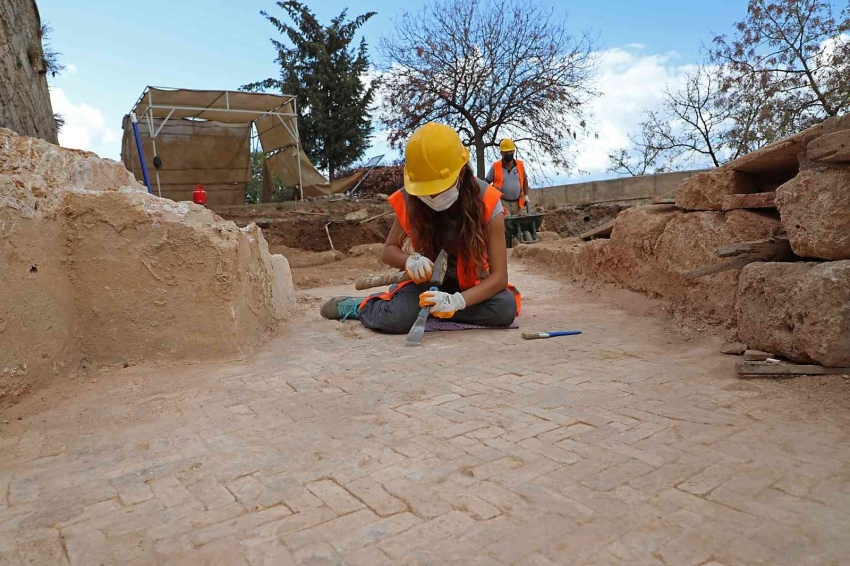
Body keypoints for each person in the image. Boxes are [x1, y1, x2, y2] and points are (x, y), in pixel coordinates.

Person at [320, 122, 521, 333]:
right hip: (424, 285)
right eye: (427, 189)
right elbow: (388, 250)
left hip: (469, 285)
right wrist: (410, 260)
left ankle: (428, 311)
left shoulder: (487, 202)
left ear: (460, 174)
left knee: (504, 308)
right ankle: (362, 307)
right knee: (397, 320)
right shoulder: (412, 198)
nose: (432, 196)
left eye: (438, 187)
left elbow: (499, 278)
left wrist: (457, 301)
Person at [485, 138, 530, 216]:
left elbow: (525, 179)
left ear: (513, 151)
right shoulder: (495, 166)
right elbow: (486, 182)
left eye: (510, 151)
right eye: (505, 152)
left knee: (519, 223)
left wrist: (526, 195)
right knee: (507, 223)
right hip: (502, 202)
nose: (508, 154)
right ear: (501, 153)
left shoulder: (520, 165)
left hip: (518, 202)